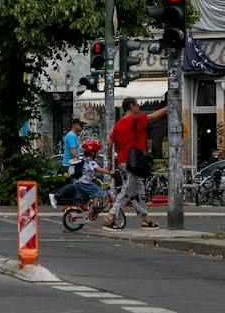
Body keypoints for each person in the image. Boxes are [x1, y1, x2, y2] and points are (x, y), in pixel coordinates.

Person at [105, 98, 167, 229]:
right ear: (132, 106)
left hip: (123, 161)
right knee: (127, 189)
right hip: (132, 162)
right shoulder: (134, 120)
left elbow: (110, 143)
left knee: (138, 190)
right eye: (137, 105)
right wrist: (168, 108)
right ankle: (111, 215)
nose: (139, 107)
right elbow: (154, 116)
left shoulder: (118, 124)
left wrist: (110, 161)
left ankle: (145, 218)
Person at [54, 140, 103, 209]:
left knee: (80, 196)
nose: (98, 153)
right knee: (97, 190)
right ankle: (95, 207)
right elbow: (98, 169)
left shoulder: (84, 160)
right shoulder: (90, 161)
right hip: (82, 181)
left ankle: (78, 209)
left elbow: (86, 171)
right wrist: (109, 172)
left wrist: (92, 177)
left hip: (78, 180)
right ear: (92, 153)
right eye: (98, 152)